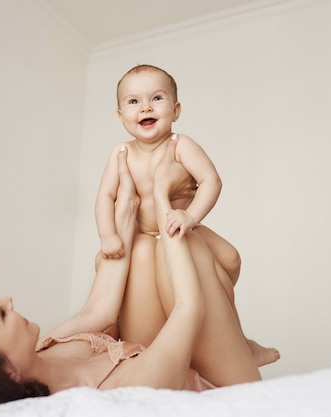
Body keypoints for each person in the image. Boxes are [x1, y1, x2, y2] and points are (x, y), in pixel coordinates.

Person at [0, 140, 269, 417]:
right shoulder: (114, 396)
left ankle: (241, 342)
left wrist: (128, 206)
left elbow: (100, 308)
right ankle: (243, 356)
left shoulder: (46, 348)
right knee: (190, 248)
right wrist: (165, 198)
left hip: (175, 342)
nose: (9, 300)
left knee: (141, 251)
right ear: (7, 371)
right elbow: (189, 308)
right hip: (226, 383)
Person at [95, 64, 241, 296]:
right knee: (103, 264)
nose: (145, 107)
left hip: (181, 227)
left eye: (156, 98)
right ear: (121, 116)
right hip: (141, 234)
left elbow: (211, 181)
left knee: (230, 258)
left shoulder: (180, 145)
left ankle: (216, 300)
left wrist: (190, 216)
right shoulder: (122, 152)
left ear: (176, 110)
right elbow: (105, 195)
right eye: (133, 102)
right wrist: (108, 235)